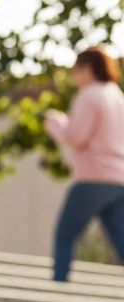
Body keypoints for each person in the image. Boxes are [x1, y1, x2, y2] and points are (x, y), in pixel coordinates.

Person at [44, 45, 124, 282]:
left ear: (87, 69)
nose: (74, 76)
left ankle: (58, 289)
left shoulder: (89, 96)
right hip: (119, 180)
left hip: (93, 177)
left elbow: (76, 137)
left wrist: (56, 123)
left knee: (65, 234)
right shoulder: (118, 96)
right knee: (121, 240)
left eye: (75, 70)